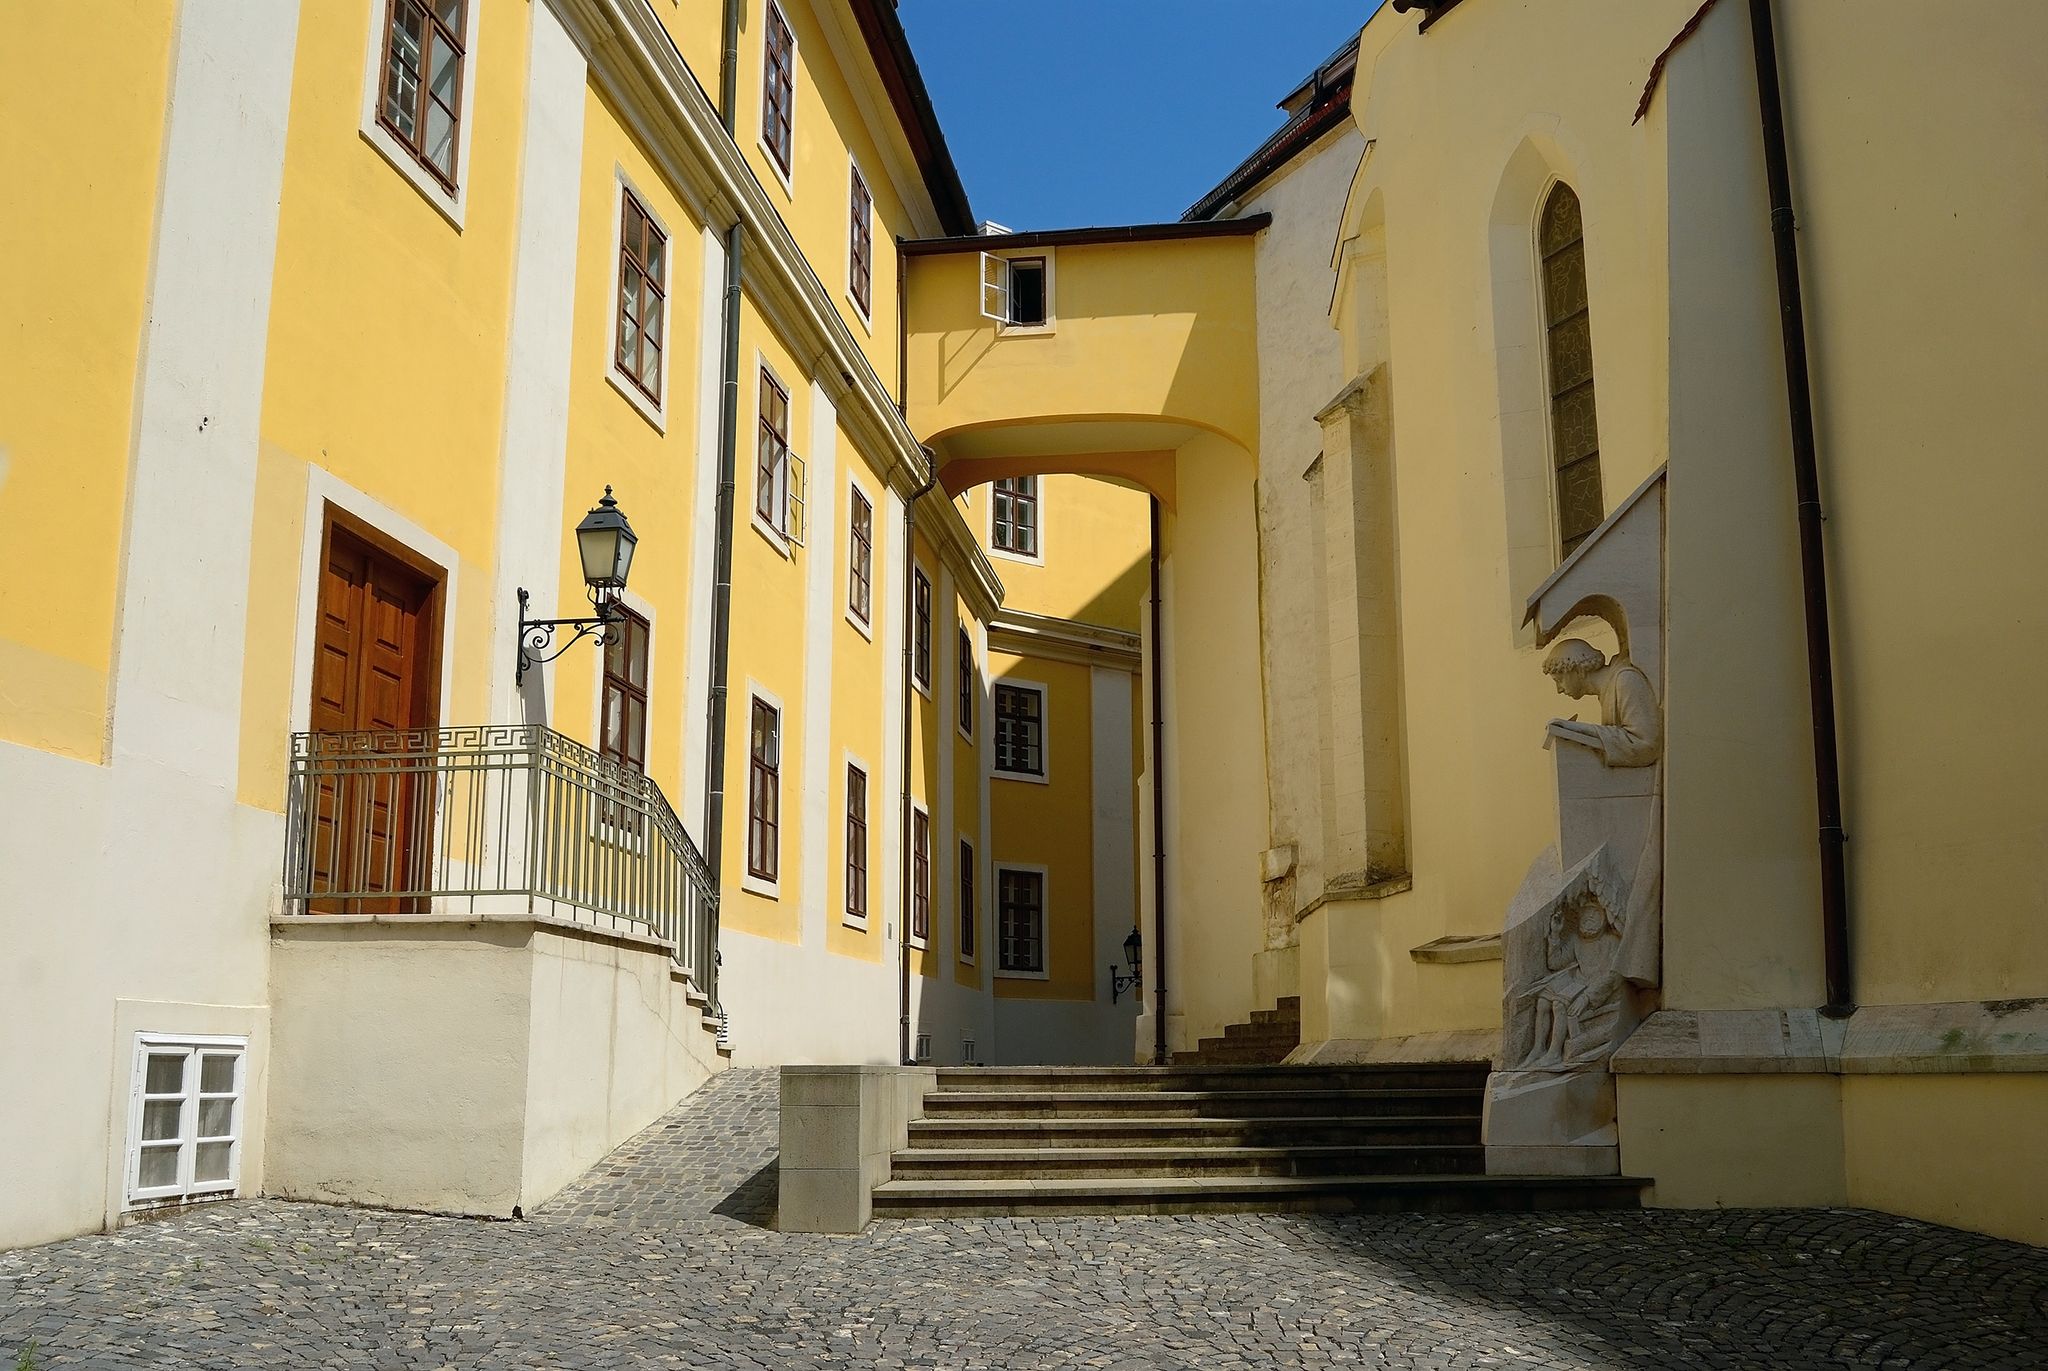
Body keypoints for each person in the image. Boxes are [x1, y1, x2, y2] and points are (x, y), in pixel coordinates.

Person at [1541, 638, 1660, 767]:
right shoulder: (1607, 690)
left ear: (1578, 671)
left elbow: (1646, 746)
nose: (1559, 690)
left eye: (1559, 680)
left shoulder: (1625, 680)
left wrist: (1579, 729)